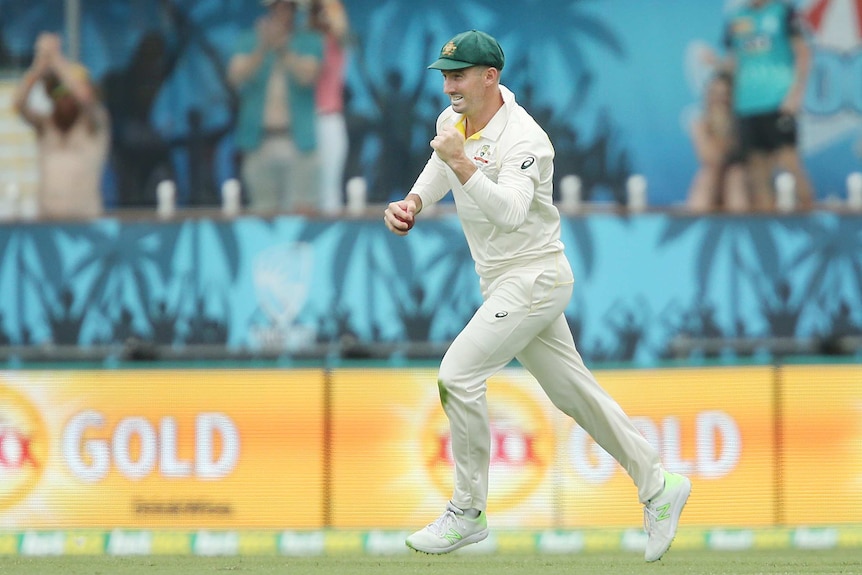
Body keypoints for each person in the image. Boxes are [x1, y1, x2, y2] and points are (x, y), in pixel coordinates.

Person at [383, 30, 691, 562]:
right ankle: (658, 484)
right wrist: (413, 201)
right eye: (445, 76)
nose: (449, 86)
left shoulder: (528, 140)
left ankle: (468, 511)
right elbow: (441, 162)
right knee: (576, 396)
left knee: (458, 374)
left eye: (458, 75)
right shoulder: (451, 123)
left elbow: (509, 211)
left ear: (490, 77)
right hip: (503, 279)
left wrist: (460, 163)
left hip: (536, 277)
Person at [228, 0, 323, 213]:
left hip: (298, 140)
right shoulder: (249, 40)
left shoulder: (309, 41)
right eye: (277, 8)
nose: (282, 13)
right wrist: (263, 46)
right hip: (259, 140)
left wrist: (282, 48)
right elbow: (236, 76)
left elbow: (307, 76)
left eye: (287, 7)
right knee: (263, 211)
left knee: (302, 210)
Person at [722, 0, 814, 211]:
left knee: (788, 162)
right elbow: (733, 60)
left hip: (778, 100)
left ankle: (812, 217)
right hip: (747, 103)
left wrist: (796, 94)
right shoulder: (736, 18)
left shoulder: (783, 12)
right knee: (757, 168)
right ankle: (767, 218)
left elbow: (803, 53)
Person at [13, 32, 110, 219]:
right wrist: (39, 66)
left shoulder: (95, 124)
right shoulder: (45, 125)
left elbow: (85, 98)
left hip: (86, 221)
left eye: (69, 91)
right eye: (58, 91)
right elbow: (18, 103)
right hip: (46, 222)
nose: (65, 98)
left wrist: (56, 59)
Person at [686, 71, 749, 213]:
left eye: (725, 94)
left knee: (735, 176)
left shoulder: (744, 123)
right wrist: (716, 128)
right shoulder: (700, 124)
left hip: (743, 182)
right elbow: (710, 158)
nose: (719, 99)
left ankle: (739, 227)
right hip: (714, 181)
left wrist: (724, 128)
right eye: (715, 94)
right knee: (707, 175)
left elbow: (735, 156)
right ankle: (697, 225)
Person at [310, 0, 350, 215]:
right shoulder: (302, 41)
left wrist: (326, 4)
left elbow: (340, 25)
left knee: (329, 189)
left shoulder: (336, 43)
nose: (321, 17)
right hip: (302, 123)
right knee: (306, 189)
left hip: (328, 118)